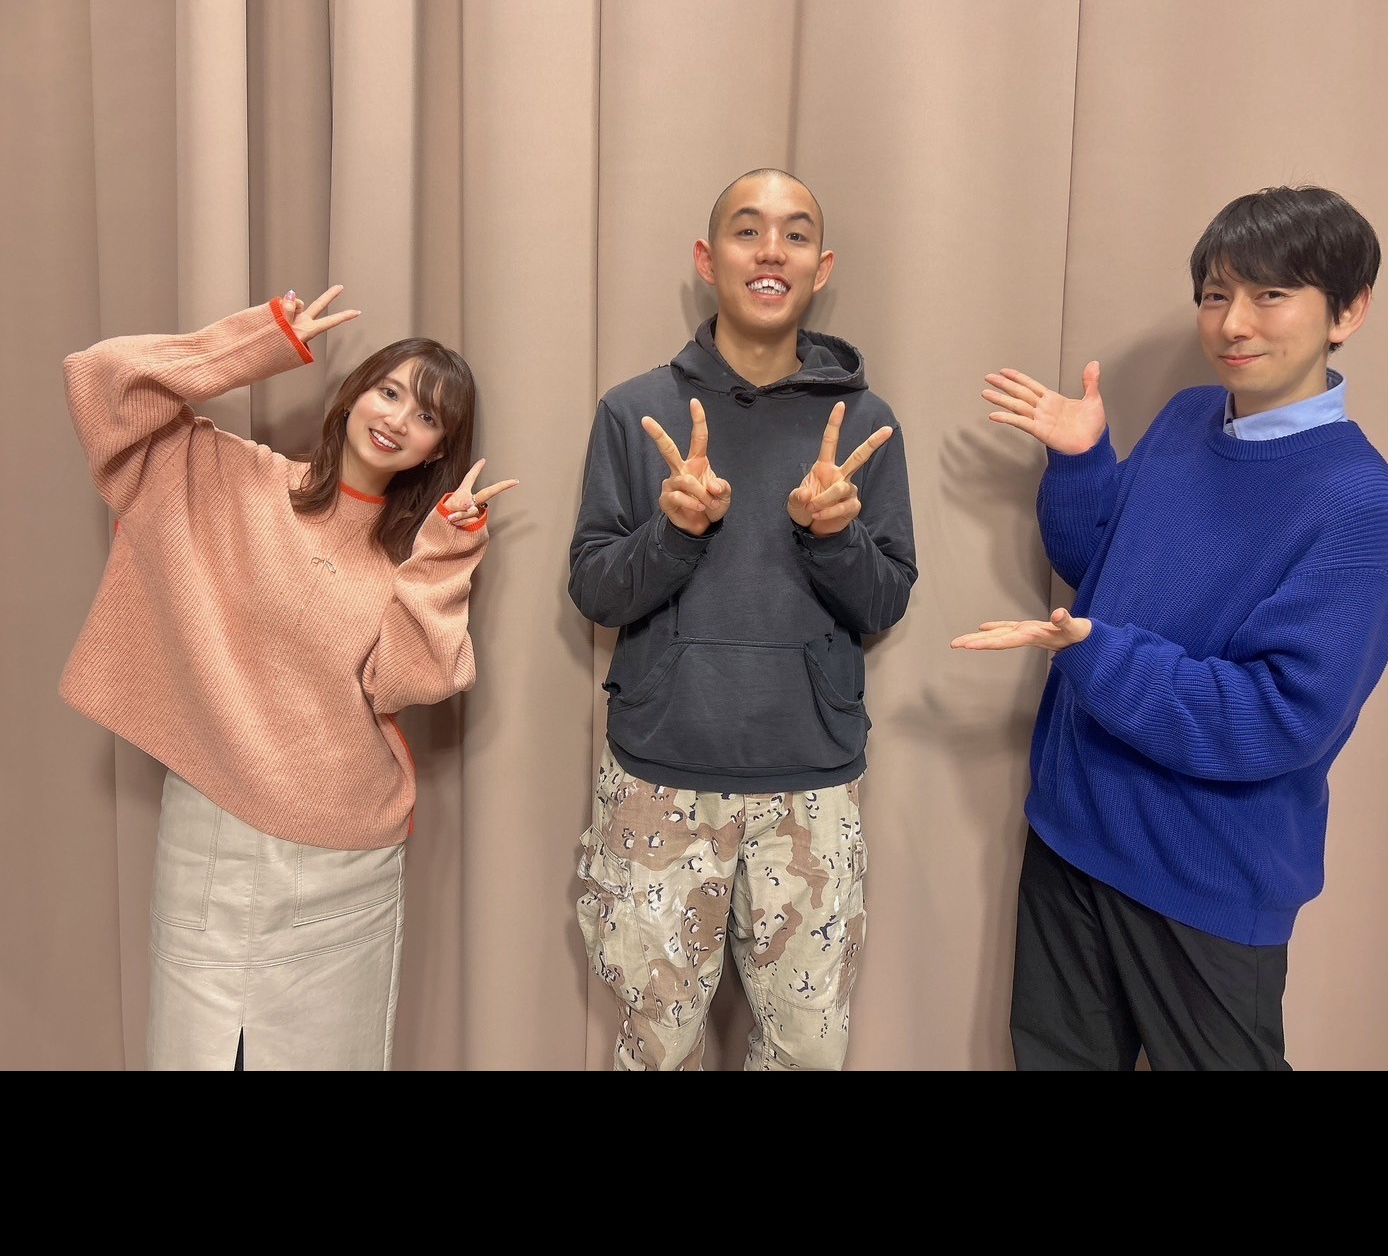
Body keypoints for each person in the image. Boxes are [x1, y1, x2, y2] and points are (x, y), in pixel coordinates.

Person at [952, 184, 1388, 1071]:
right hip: (1072, 834)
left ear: (1346, 311)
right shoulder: (1186, 418)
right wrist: (1080, 460)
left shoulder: (1355, 503)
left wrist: (1101, 655)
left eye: (1270, 294)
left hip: (1203, 877)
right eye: (1213, 294)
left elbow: (1277, 717)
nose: (1233, 323)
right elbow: (1096, 566)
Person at [59, 286, 518, 1071]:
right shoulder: (228, 475)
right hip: (215, 830)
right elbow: (103, 382)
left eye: (426, 415)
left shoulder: (406, 557)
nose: (396, 419)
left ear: (436, 449)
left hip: (344, 855)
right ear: (354, 393)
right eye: (388, 391)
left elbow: (408, 681)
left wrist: (445, 557)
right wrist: (256, 343)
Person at [569, 168, 917, 1071]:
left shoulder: (865, 422)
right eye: (747, 229)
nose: (771, 250)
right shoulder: (635, 411)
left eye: (795, 233)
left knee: (805, 1051)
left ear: (820, 266)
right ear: (707, 257)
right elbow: (595, 590)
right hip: (658, 777)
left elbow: (884, 600)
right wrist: (673, 531)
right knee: (655, 1050)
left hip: (811, 784)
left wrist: (833, 537)